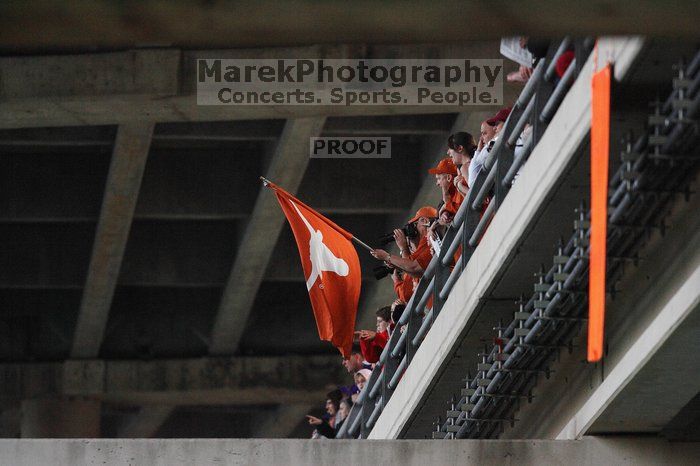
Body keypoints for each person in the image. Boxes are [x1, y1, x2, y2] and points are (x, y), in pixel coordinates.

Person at [370, 206, 437, 279]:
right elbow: (415, 274)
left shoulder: (432, 237)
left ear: (424, 221)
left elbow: (413, 267)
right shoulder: (426, 241)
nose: (414, 231)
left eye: (414, 224)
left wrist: (388, 256)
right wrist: (396, 262)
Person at [469, 108, 511, 189]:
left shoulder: (494, 142)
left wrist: (478, 151)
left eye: (484, 133)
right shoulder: (494, 143)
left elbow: (472, 183)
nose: (481, 138)